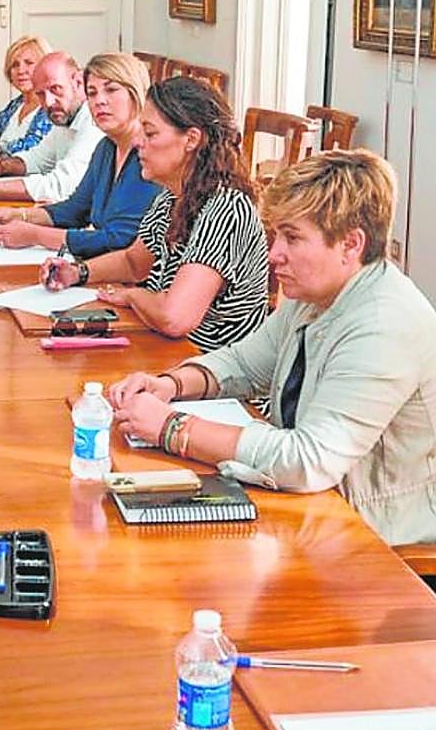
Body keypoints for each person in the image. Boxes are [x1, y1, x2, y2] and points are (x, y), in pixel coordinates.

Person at [108, 149, 436, 546]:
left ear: (351, 244)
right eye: (275, 234)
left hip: (374, 534)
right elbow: (247, 363)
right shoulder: (315, 292)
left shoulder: (385, 324)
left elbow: (309, 460)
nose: (273, 253)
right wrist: (169, 385)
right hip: (314, 508)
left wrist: (171, 427)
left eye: (292, 238)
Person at [42, 76, 268, 350]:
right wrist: (77, 272)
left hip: (206, 365)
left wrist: (134, 296)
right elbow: (133, 262)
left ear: (191, 139)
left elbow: (175, 317)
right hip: (167, 350)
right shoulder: (171, 197)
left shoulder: (226, 208)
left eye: (150, 133)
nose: (138, 142)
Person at [0, 53, 162, 257]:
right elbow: (76, 209)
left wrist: (35, 235)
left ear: (136, 93)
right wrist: (17, 215)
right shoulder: (107, 147)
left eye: (111, 90)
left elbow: (119, 239)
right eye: (92, 93)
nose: (99, 101)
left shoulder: (149, 155)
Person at [0, 52, 105, 203]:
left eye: (56, 89)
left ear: (78, 82)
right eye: (40, 94)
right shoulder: (65, 117)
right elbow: (37, 160)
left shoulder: (95, 122)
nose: (48, 102)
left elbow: (59, 186)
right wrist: (1, 167)